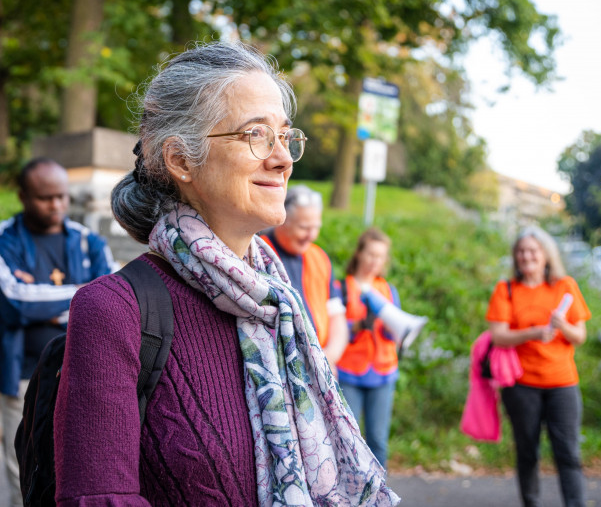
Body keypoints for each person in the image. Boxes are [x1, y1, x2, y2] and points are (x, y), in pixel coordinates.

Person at [54, 42, 397, 506]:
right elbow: (98, 498)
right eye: (256, 135)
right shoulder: (114, 312)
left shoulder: (277, 301)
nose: (283, 159)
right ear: (180, 160)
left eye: (285, 136)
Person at [0, 157, 116, 507]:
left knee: (80, 471)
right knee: (24, 472)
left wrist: (43, 300)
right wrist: (83, 294)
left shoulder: (89, 241)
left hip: (83, 373)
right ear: (23, 196)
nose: (56, 205)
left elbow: (110, 299)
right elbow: (14, 303)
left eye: (62, 196)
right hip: (24, 376)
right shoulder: (2, 240)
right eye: (45, 198)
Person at [487, 226, 590, 507]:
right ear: (515, 257)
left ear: (545, 255)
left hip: (562, 383)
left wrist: (563, 326)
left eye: (532, 250)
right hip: (522, 385)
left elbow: (580, 336)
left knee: (568, 452)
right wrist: (532, 333)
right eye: (521, 251)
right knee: (527, 452)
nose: (526, 256)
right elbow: (498, 336)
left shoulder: (564, 286)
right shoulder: (506, 289)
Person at [334, 227, 401, 468]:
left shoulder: (388, 290)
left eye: (380, 256)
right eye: (371, 254)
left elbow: (396, 335)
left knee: (378, 441)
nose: (375, 261)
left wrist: (395, 329)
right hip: (350, 372)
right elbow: (334, 330)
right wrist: (360, 325)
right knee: (349, 441)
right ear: (359, 254)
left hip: (383, 372)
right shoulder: (341, 287)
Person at [259, 185, 349, 364]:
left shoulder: (319, 256)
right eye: (304, 228)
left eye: (316, 227)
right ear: (282, 220)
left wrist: (328, 358)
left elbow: (336, 314)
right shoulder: (259, 252)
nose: (311, 235)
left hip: (323, 362)